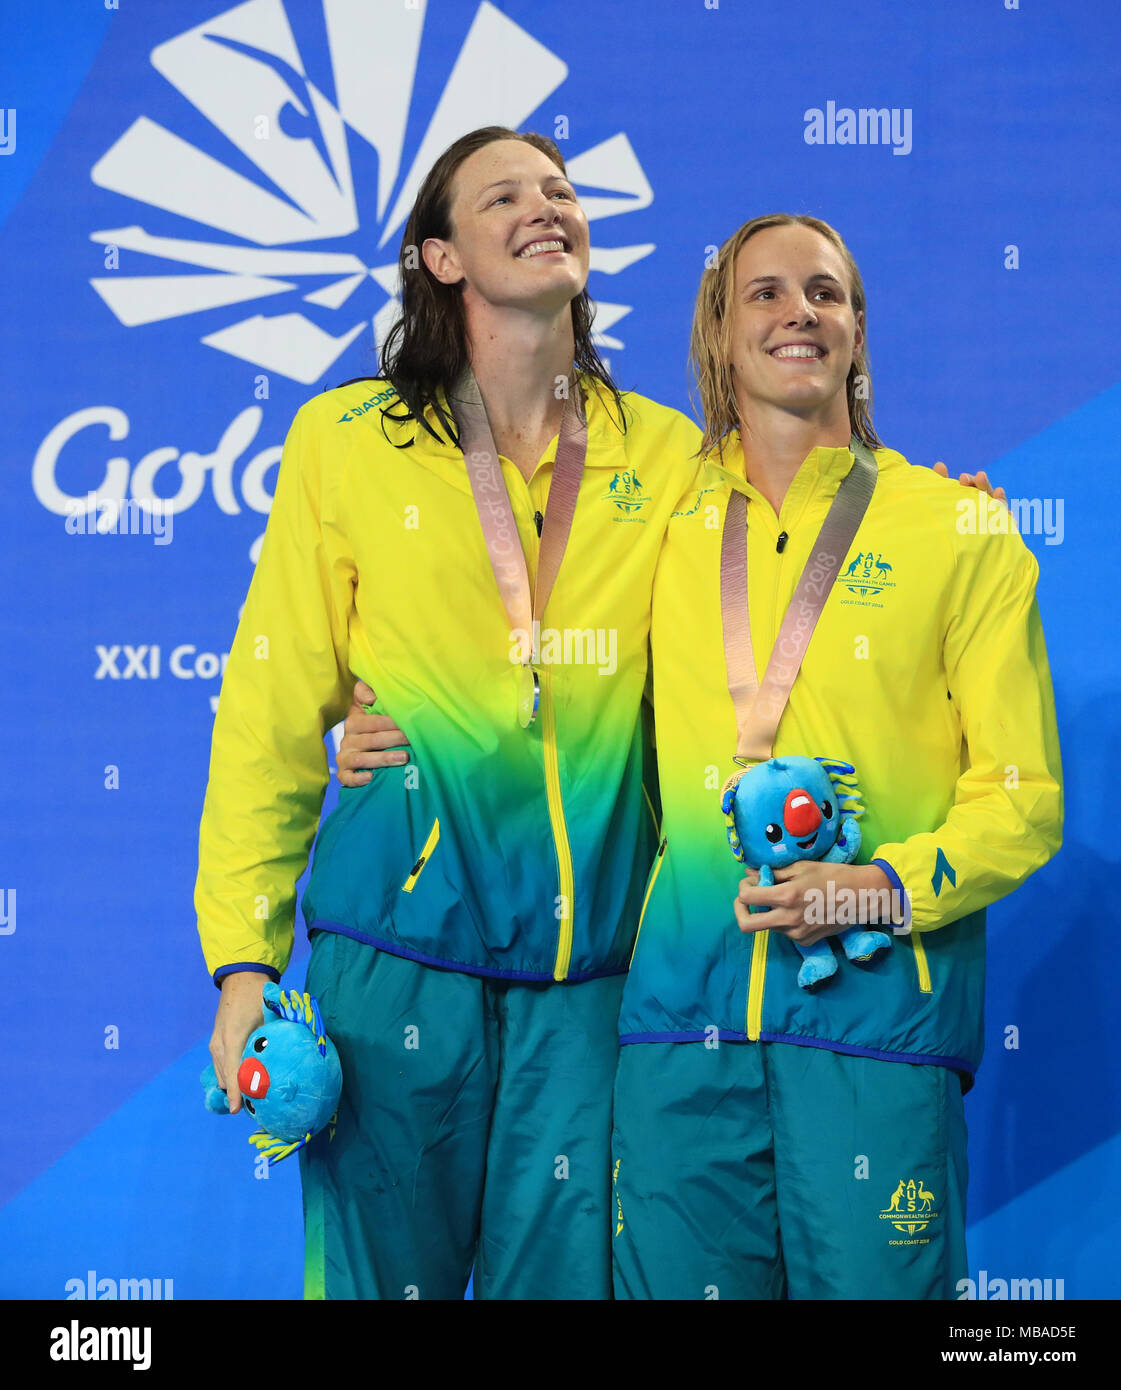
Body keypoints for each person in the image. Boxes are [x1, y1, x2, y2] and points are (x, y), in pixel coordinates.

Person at [195, 125, 702, 1300]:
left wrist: (919, 515)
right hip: (394, 958)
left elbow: (776, 574)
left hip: (587, 974)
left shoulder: (667, 455)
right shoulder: (347, 439)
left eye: (560, 190)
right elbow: (272, 706)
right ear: (439, 257)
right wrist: (242, 959)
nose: (546, 206)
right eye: (504, 196)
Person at [609, 212, 1064, 1299]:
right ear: (718, 335)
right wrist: (364, 707)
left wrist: (873, 891)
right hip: (681, 1033)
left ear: (858, 332)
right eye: (762, 293)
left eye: (826, 292)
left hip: (876, 1029)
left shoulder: (959, 532)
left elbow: (1021, 799)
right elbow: (524, 676)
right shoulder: (652, 529)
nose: (798, 311)